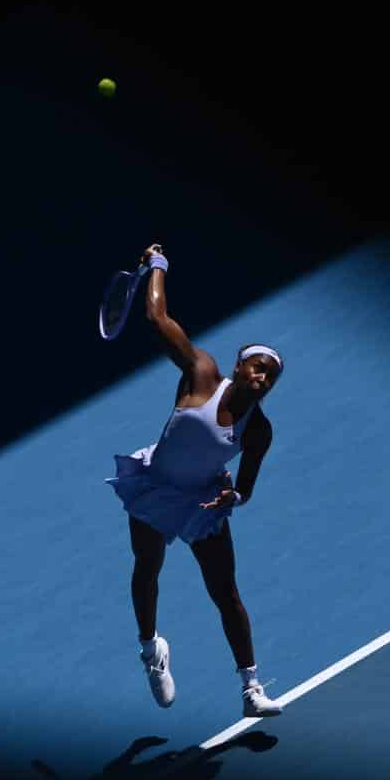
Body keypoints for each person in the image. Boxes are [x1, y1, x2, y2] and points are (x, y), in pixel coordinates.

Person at [105, 243, 284, 719]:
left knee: (225, 592)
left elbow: (247, 483)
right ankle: (151, 651)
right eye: (259, 368)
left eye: (272, 377)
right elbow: (157, 317)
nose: (264, 378)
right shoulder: (201, 373)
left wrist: (235, 495)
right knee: (147, 569)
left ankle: (251, 689)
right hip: (156, 486)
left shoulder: (259, 431)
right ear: (240, 365)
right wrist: (158, 266)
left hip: (202, 501)